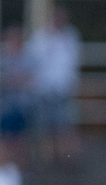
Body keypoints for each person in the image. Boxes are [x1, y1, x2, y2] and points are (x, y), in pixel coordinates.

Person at [24, 6, 80, 162]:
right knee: (46, 126)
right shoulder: (40, 37)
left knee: (66, 124)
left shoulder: (70, 36)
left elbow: (72, 62)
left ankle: (67, 157)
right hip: (44, 88)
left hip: (63, 88)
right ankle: (49, 157)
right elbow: (32, 61)